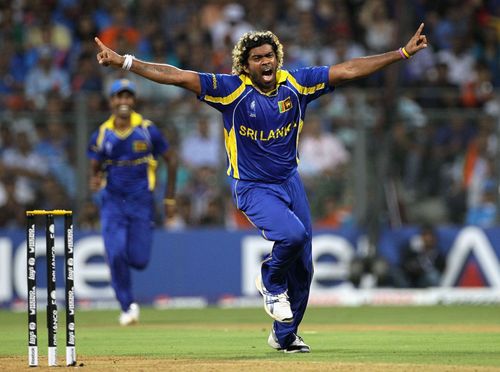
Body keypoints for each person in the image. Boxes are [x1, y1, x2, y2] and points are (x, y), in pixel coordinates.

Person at [95, 24, 428, 351]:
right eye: (257, 58)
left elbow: (348, 70)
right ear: (245, 65)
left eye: (269, 55)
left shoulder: (296, 83)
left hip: (290, 182)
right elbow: (178, 76)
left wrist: (400, 53)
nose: (266, 62)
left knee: (305, 268)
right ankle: (269, 279)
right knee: (292, 236)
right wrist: (126, 62)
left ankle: (284, 335)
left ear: (277, 58)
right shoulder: (230, 89)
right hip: (253, 186)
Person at [87, 78, 177, 325]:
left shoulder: (147, 130)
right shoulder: (102, 133)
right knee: (115, 253)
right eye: (119, 97)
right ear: (112, 101)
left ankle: (122, 267)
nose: (124, 101)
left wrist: (169, 198)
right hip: (113, 201)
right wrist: (94, 180)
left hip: (141, 202)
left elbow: (171, 160)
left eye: (128, 97)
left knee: (139, 260)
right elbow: (95, 166)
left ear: (133, 100)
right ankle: (127, 307)